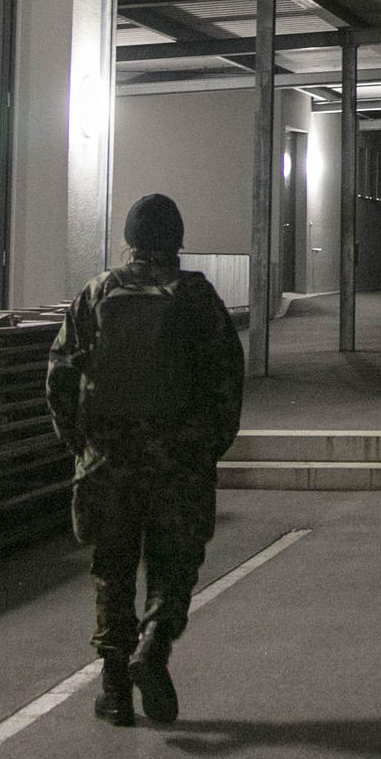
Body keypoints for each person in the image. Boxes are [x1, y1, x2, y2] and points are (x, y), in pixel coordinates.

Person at [46, 193, 244, 725]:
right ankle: (152, 645)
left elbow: (60, 378)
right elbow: (227, 383)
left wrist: (84, 446)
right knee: (174, 565)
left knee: (111, 574)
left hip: (107, 462)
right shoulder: (198, 298)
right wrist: (203, 449)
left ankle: (114, 694)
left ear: (129, 240)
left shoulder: (96, 293)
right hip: (178, 463)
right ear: (178, 242)